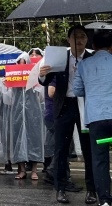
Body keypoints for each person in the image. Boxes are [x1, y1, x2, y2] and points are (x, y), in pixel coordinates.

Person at [39, 25, 97, 204]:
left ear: (87, 40)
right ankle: (60, 188)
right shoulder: (60, 57)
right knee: (61, 149)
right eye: (75, 37)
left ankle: (92, 190)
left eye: (82, 37)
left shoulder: (92, 58)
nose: (79, 40)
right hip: (64, 105)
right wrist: (43, 75)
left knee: (89, 150)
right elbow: (45, 81)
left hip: (86, 106)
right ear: (68, 39)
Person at [74, 29, 112, 206]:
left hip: (97, 120)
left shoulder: (84, 64)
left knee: (100, 158)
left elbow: (77, 91)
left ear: (93, 46)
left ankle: (104, 199)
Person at [8, 53, 44, 180]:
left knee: (34, 139)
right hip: (17, 113)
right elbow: (8, 99)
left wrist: (34, 83)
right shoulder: (12, 79)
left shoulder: (35, 78)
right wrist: (5, 84)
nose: (21, 65)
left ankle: (34, 170)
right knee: (18, 139)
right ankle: (22, 170)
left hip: (33, 113)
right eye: (19, 63)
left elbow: (41, 97)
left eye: (24, 62)